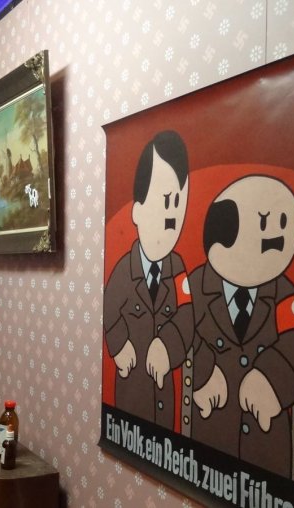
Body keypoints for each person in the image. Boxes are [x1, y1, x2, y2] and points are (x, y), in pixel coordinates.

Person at [189, 175, 294, 478]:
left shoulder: (284, 293)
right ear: (221, 234)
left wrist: (271, 379)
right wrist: (204, 373)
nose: (276, 235)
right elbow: (180, 329)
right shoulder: (196, 286)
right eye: (264, 222)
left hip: (267, 443)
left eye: (282, 222)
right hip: (211, 431)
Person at [104, 130, 194, 430]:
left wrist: (168, 346)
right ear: (138, 211)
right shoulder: (123, 270)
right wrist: (118, 345)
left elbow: (186, 316)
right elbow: (108, 309)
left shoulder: (177, 268)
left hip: (164, 397)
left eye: (178, 202)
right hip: (130, 390)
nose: (172, 215)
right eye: (165, 200)